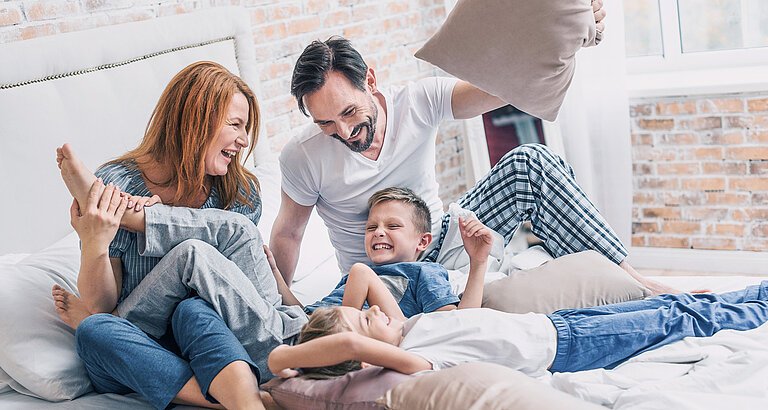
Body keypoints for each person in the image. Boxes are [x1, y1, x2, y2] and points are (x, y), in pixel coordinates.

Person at [269, 26, 681, 296]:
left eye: (348, 113)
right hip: (381, 277)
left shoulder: (417, 101)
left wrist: (565, 40)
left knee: (530, 163)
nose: (342, 131)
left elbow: (496, 91)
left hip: (440, 238)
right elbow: (288, 233)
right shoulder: (303, 157)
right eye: (325, 123)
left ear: (370, 82)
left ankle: (636, 282)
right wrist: (282, 304)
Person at [53, 61, 300, 410]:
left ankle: (240, 392)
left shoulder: (239, 193)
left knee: (193, 309)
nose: (244, 141)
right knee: (96, 331)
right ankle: (234, 398)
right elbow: (101, 308)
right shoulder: (118, 184)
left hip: (212, 340)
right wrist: (95, 241)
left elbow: (244, 300)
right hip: (137, 346)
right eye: (235, 125)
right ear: (196, 119)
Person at [268, 262, 768, 379]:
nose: (371, 308)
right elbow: (352, 348)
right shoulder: (415, 361)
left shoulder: (409, 324)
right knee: (686, 317)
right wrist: (286, 362)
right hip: (570, 348)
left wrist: (343, 317)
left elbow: (360, 273)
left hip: (562, 323)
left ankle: (757, 292)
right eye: (362, 320)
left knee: (678, 307)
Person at [303, 186, 491, 317]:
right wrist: (277, 275)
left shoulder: (424, 272)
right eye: (371, 227)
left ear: (422, 241)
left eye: (392, 226)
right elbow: (311, 311)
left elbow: (456, 322)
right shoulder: (351, 278)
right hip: (303, 321)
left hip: (330, 333)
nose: (378, 232)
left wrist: (478, 263)